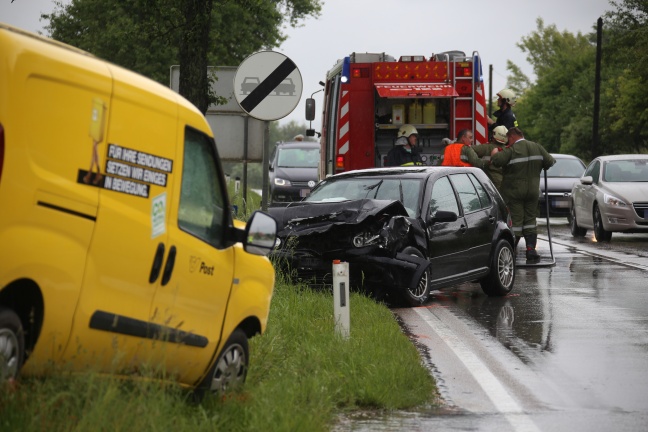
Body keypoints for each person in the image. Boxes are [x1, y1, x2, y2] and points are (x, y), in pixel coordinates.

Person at [490, 127, 555, 263]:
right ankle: (531, 250)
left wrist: (494, 152)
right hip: (532, 191)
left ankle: (510, 251)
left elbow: (496, 161)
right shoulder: (537, 147)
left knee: (516, 222)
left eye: (509, 140)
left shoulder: (512, 150)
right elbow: (549, 161)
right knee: (531, 221)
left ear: (512, 137)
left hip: (514, 192)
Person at [472, 125, 507, 191]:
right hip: (505, 181)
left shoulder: (487, 148)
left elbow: (468, 149)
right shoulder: (508, 149)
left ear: (494, 135)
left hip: (493, 182)